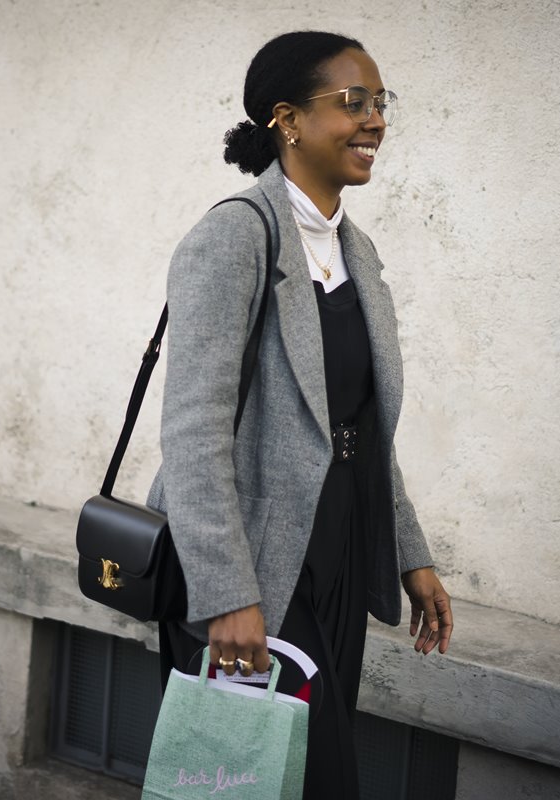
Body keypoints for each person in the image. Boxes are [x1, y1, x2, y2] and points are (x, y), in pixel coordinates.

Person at [146, 30, 454, 797]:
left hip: (343, 544)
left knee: (284, 776)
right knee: (271, 774)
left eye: (381, 102)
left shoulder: (358, 252)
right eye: (354, 102)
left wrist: (410, 554)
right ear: (287, 119)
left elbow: (360, 424)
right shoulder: (235, 239)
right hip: (259, 557)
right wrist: (226, 595)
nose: (375, 120)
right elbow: (192, 430)